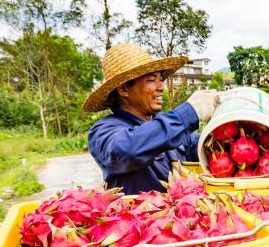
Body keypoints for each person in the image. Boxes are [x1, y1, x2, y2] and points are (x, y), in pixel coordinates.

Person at [85, 43, 220, 193]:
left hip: (180, 215)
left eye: (160, 78)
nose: (162, 87)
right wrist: (189, 113)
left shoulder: (165, 123)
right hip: (142, 215)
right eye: (151, 79)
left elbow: (204, 145)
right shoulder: (103, 131)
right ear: (124, 89)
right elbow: (128, 149)